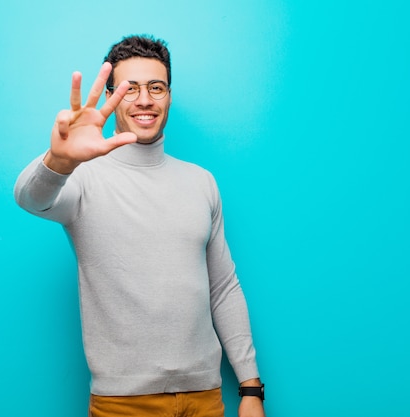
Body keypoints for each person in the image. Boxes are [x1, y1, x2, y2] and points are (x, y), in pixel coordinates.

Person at [14, 35, 265, 417]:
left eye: (156, 87)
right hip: (123, 403)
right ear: (113, 95)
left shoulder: (202, 182)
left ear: (168, 95)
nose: (145, 100)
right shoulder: (83, 178)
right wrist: (60, 161)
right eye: (130, 89)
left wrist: (251, 388)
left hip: (206, 397)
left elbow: (223, 288)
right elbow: (31, 199)